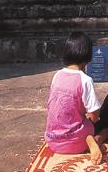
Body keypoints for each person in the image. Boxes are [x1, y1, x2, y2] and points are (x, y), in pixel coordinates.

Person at [44, 31, 103, 164]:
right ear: (87, 54)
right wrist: (90, 121)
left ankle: (88, 138)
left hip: (53, 141)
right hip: (76, 142)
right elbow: (94, 113)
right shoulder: (85, 80)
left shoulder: (57, 75)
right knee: (104, 125)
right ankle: (93, 141)